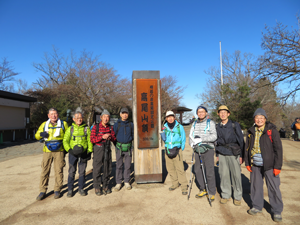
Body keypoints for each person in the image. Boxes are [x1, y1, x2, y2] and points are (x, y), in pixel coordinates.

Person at [244, 108, 283, 222]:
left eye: (262, 118)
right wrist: (247, 163)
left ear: (265, 119)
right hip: (255, 164)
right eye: (257, 117)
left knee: (274, 188)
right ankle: (257, 206)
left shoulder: (272, 131)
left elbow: (278, 150)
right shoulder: (251, 131)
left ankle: (277, 211)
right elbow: (247, 148)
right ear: (254, 119)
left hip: (270, 165)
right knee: (255, 187)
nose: (259, 120)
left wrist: (277, 166)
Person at [35, 108, 69, 200]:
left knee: (59, 171)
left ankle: (57, 190)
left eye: (55, 113)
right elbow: (37, 136)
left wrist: (67, 149)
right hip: (47, 150)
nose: (53, 115)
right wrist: (42, 134)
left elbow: (68, 136)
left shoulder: (63, 124)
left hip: (59, 151)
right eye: (51, 114)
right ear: (48, 115)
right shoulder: (44, 124)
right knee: (45, 171)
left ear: (58, 114)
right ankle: (42, 191)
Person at [215, 105, 244, 206]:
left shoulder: (234, 125)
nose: (223, 114)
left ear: (228, 113)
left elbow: (241, 140)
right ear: (218, 114)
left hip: (234, 152)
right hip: (222, 153)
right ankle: (226, 194)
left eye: (225, 112)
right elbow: (216, 141)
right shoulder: (217, 126)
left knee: (236, 175)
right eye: (221, 112)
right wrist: (217, 153)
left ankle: (237, 196)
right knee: (223, 175)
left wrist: (241, 155)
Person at [189, 105, 217, 202]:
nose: (200, 113)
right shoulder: (194, 124)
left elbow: (214, 136)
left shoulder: (211, 123)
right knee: (198, 170)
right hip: (197, 149)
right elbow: (190, 136)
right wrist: (192, 144)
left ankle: (211, 191)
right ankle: (203, 189)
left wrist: (202, 139)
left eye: (202, 111)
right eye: (199, 112)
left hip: (208, 149)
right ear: (197, 113)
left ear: (206, 113)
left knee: (209, 171)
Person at [63, 109, 93, 197]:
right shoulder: (70, 129)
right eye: (77, 118)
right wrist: (69, 150)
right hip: (72, 154)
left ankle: (81, 188)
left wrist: (89, 151)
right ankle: (70, 189)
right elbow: (65, 141)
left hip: (83, 154)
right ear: (73, 119)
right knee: (71, 171)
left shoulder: (86, 129)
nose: (79, 119)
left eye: (81, 117)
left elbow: (89, 141)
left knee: (82, 172)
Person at [90, 109, 116, 196]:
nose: (106, 119)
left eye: (107, 117)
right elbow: (92, 139)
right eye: (104, 117)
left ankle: (106, 185)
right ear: (101, 117)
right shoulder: (96, 127)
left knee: (107, 167)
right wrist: (102, 136)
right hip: (98, 148)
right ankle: (97, 186)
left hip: (107, 148)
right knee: (97, 168)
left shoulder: (110, 127)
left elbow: (114, 138)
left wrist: (110, 136)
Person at [163, 111, 188, 195]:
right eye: (168, 117)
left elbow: (183, 138)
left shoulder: (179, 127)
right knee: (170, 168)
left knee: (180, 168)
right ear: (166, 118)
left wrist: (181, 148)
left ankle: (184, 186)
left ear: (174, 117)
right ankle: (175, 183)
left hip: (177, 149)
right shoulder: (164, 127)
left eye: (171, 117)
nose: (170, 118)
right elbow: (164, 138)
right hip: (168, 149)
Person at [113, 107, 134, 191]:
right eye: (123, 113)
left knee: (128, 166)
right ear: (120, 114)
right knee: (119, 165)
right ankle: (118, 182)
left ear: (128, 114)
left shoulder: (131, 124)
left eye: (126, 113)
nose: (125, 115)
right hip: (119, 147)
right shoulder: (116, 124)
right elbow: (113, 136)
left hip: (128, 147)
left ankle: (126, 181)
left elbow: (133, 135)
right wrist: (117, 145)